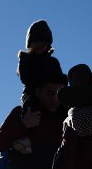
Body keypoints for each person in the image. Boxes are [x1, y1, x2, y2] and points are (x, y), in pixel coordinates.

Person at [12, 20, 65, 155]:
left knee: (63, 107)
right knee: (30, 107)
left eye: (43, 42)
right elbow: (26, 78)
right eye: (36, 41)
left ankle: (65, 134)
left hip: (51, 92)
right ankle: (26, 138)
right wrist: (41, 82)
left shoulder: (53, 62)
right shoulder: (25, 60)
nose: (40, 45)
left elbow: (59, 78)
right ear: (30, 44)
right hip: (32, 92)